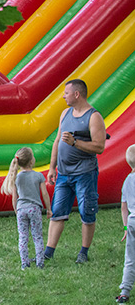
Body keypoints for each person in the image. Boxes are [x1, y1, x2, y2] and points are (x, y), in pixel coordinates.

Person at [45, 79, 106, 264]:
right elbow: (57, 141)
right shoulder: (65, 114)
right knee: (57, 212)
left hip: (84, 173)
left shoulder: (94, 117)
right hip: (63, 174)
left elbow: (99, 146)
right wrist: (52, 167)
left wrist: (75, 143)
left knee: (87, 212)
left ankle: (83, 252)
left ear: (77, 94)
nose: (64, 96)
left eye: (66, 93)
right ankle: (48, 253)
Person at [1, 147, 51, 270]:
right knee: (37, 236)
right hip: (34, 209)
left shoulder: (16, 177)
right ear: (31, 161)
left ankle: (24, 263)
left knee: (23, 237)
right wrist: (49, 209)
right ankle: (40, 263)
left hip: (21, 210)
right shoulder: (38, 176)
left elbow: (15, 197)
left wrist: (16, 210)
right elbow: (45, 194)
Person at [116, 145, 135, 304]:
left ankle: (124, 293)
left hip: (132, 222)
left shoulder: (127, 181)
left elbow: (124, 207)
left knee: (130, 258)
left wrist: (125, 227)